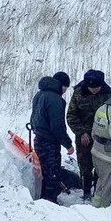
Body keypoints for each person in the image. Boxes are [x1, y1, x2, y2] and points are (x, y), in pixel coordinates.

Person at [66, 69, 111, 200]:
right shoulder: (78, 93)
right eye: (91, 88)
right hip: (84, 137)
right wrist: (81, 132)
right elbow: (71, 115)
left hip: (102, 137)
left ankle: (98, 193)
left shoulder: (109, 95)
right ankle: (86, 192)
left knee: (101, 166)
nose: (94, 90)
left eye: (97, 87)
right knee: (85, 165)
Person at [29, 72, 74, 204]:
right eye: (65, 88)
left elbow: (34, 117)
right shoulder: (56, 99)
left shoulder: (39, 94)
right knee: (52, 174)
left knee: (43, 171)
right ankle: (50, 203)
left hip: (38, 138)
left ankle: (43, 196)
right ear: (62, 85)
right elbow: (57, 127)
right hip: (49, 142)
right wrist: (68, 144)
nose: (65, 92)